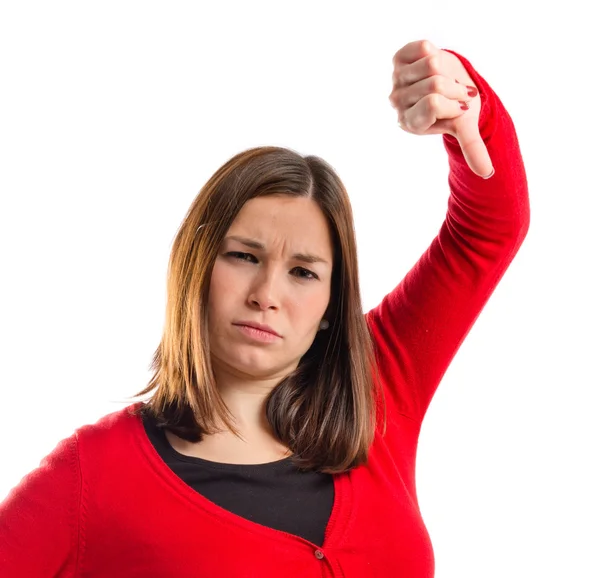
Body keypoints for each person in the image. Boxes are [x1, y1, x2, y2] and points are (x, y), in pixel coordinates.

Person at [0, 39, 530, 577]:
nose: (266, 294)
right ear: (196, 269)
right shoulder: (95, 474)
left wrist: (469, 110)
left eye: (303, 272)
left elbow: (487, 231)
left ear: (331, 301)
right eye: (242, 256)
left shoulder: (377, 387)